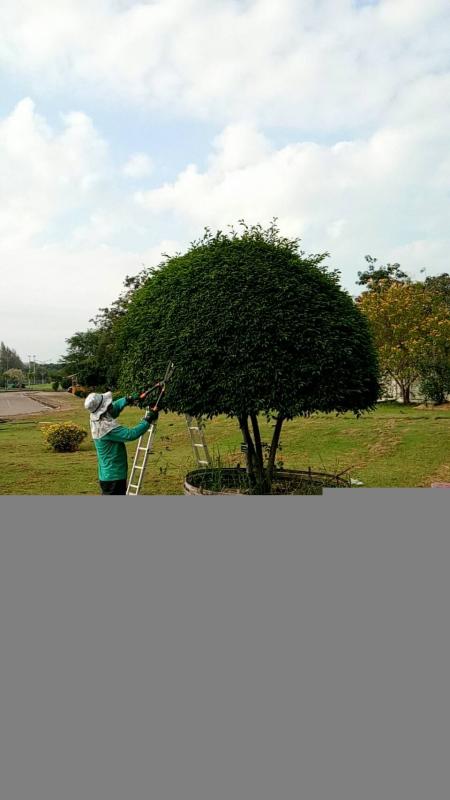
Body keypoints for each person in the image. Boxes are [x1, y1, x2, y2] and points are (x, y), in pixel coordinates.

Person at [84, 390, 158, 495]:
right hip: (114, 477)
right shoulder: (105, 427)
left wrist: (128, 399)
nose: (111, 405)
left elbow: (114, 408)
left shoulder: (96, 417)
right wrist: (148, 419)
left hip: (108, 475)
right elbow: (130, 434)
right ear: (103, 409)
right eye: (108, 404)